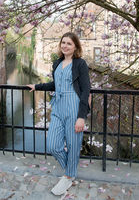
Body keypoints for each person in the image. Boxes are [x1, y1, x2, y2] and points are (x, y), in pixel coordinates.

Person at [27, 32, 91, 196]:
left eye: (69, 43)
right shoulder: (57, 63)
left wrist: (81, 117)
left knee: (73, 145)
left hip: (73, 107)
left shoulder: (80, 64)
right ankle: (70, 170)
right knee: (53, 145)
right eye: (63, 43)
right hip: (58, 108)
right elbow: (56, 84)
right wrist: (37, 86)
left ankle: (69, 175)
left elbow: (85, 91)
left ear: (75, 46)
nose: (65, 46)